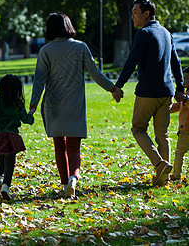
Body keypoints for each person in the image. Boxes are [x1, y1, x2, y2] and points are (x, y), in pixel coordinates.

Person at [29, 12, 122, 198]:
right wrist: (113, 89)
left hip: (53, 105)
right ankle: (74, 177)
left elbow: (39, 81)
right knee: (73, 147)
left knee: (59, 146)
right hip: (75, 104)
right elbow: (95, 74)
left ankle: (65, 185)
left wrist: (32, 107)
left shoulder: (45, 51)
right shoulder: (81, 48)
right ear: (68, 26)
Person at [114, 0, 184, 187]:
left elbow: (131, 61)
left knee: (138, 128)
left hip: (147, 93)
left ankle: (160, 164)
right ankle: (164, 178)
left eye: (135, 12)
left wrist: (118, 86)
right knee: (163, 135)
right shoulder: (166, 32)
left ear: (147, 13)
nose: (132, 16)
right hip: (167, 92)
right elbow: (176, 63)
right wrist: (180, 88)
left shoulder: (143, 33)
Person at [0, 74, 35, 200]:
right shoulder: (18, 103)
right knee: (10, 162)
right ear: (18, 89)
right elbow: (25, 120)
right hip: (12, 137)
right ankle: (6, 186)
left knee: (0, 159)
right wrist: (31, 116)